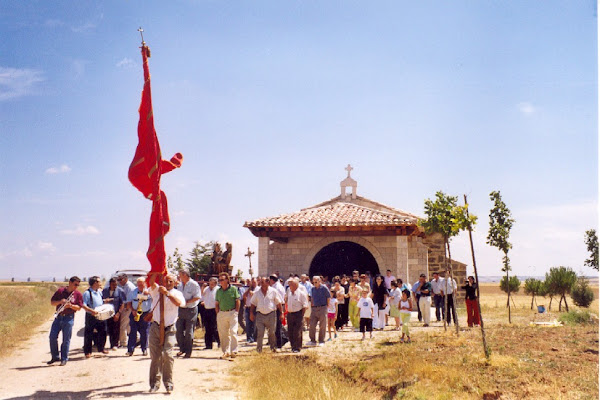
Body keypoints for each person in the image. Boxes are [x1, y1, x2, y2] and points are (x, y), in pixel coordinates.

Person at [148, 273, 185, 393]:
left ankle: (168, 383)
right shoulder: (156, 291)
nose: (168, 283)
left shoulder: (177, 293)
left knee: (168, 355)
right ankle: (154, 384)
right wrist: (155, 271)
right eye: (166, 281)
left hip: (169, 328)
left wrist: (167, 294)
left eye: (171, 281)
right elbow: (151, 282)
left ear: (174, 283)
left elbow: (179, 303)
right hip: (156, 327)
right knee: (155, 357)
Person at [48, 276, 83, 366]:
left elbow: (79, 307)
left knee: (66, 339)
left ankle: (64, 359)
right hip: (59, 317)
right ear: (70, 283)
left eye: (78, 285)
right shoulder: (60, 291)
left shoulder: (77, 294)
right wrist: (60, 302)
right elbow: (52, 302)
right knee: (52, 337)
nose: (76, 286)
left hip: (69, 318)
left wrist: (70, 306)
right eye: (75, 284)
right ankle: (55, 356)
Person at [250, 277, 283, 352]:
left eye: (263, 282)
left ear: (268, 283)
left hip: (271, 315)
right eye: (261, 282)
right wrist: (251, 313)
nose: (261, 283)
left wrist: (281, 313)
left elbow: (279, 303)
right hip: (260, 315)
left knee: (272, 332)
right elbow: (253, 303)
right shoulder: (257, 292)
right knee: (260, 332)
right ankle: (259, 349)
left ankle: (273, 348)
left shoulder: (273, 291)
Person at [176, 269, 201, 358]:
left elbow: (197, 297)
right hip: (181, 309)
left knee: (189, 332)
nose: (179, 277)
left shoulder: (194, 284)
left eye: (180, 275)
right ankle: (182, 349)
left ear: (185, 275)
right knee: (178, 330)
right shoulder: (179, 285)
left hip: (191, 310)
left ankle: (188, 351)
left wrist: (187, 301)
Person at [215, 272, 240, 359]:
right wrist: (218, 313)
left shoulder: (233, 289)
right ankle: (226, 351)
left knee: (233, 331)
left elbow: (237, 300)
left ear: (227, 280)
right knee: (223, 334)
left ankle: (234, 351)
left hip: (232, 312)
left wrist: (236, 311)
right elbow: (217, 303)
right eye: (219, 280)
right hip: (222, 313)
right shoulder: (218, 291)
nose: (220, 281)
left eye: (222, 279)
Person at [126, 277, 152, 356]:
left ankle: (144, 349)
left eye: (142, 284)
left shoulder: (150, 291)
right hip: (135, 313)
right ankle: (130, 350)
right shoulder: (132, 292)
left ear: (145, 283)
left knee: (145, 332)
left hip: (145, 314)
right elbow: (129, 303)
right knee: (132, 332)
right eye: (139, 284)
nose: (140, 285)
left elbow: (154, 301)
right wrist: (133, 310)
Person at [82, 276, 107, 358]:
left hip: (100, 314)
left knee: (103, 331)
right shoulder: (87, 293)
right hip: (91, 315)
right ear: (95, 283)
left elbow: (100, 301)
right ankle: (87, 351)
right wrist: (91, 311)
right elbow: (83, 305)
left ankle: (101, 348)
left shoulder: (99, 292)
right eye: (99, 281)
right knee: (89, 333)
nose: (100, 283)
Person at [285, 277, 308, 353]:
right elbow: (286, 301)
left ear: (295, 285)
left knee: (297, 331)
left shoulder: (301, 294)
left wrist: (301, 315)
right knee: (290, 331)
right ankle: (293, 346)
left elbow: (305, 305)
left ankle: (297, 347)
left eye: (291, 285)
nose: (289, 286)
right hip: (290, 314)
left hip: (298, 314)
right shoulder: (289, 292)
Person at [102, 277, 125, 351]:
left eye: (115, 285)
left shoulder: (120, 291)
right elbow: (101, 301)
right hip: (107, 313)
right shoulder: (105, 291)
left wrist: (118, 313)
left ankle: (115, 344)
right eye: (113, 285)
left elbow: (122, 303)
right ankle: (109, 343)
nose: (114, 286)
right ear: (110, 284)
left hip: (116, 313)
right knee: (109, 329)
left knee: (116, 329)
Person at [307, 276, 329, 346]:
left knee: (322, 325)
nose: (314, 283)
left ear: (319, 281)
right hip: (314, 308)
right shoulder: (313, 289)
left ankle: (321, 340)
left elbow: (328, 297)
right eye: (313, 282)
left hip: (322, 307)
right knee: (312, 325)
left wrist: (327, 307)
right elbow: (312, 297)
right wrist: (312, 306)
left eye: (316, 282)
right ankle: (312, 340)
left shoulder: (324, 288)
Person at [117, 273, 136, 348]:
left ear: (126, 279)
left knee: (122, 326)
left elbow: (129, 301)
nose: (119, 281)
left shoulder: (129, 287)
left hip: (127, 308)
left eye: (120, 279)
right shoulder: (122, 286)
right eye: (118, 280)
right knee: (128, 325)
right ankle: (137, 339)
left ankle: (123, 342)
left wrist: (125, 310)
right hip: (125, 307)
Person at [201, 277, 220, 350]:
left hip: (214, 310)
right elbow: (202, 295)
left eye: (213, 283)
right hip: (207, 310)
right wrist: (202, 287)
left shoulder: (218, 289)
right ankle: (208, 345)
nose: (211, 284)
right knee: (207, 328)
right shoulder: (206, 289)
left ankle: (219, 342)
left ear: (216, 283)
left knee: (214, 328)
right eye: (210, 283)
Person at [269, 274, 286, 350]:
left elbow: (277, 300)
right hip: (280, 306)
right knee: (278, 326)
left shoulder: (276, 287)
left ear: (272, 280)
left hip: (278, 307)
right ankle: (283, 339)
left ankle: (279, 343)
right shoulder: (279, 286)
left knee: (277, 327)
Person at [243, 278, 258, 344]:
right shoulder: (249, 289)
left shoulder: (258, 289)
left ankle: (255, 338)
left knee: (255, 324)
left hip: (255, 308)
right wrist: (249, 289)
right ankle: (249, 338)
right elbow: (244, 296)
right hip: (248, 307)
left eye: (254, 282)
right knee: (248, 324)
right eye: (252, 282)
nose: (253, 284)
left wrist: (252, 293)